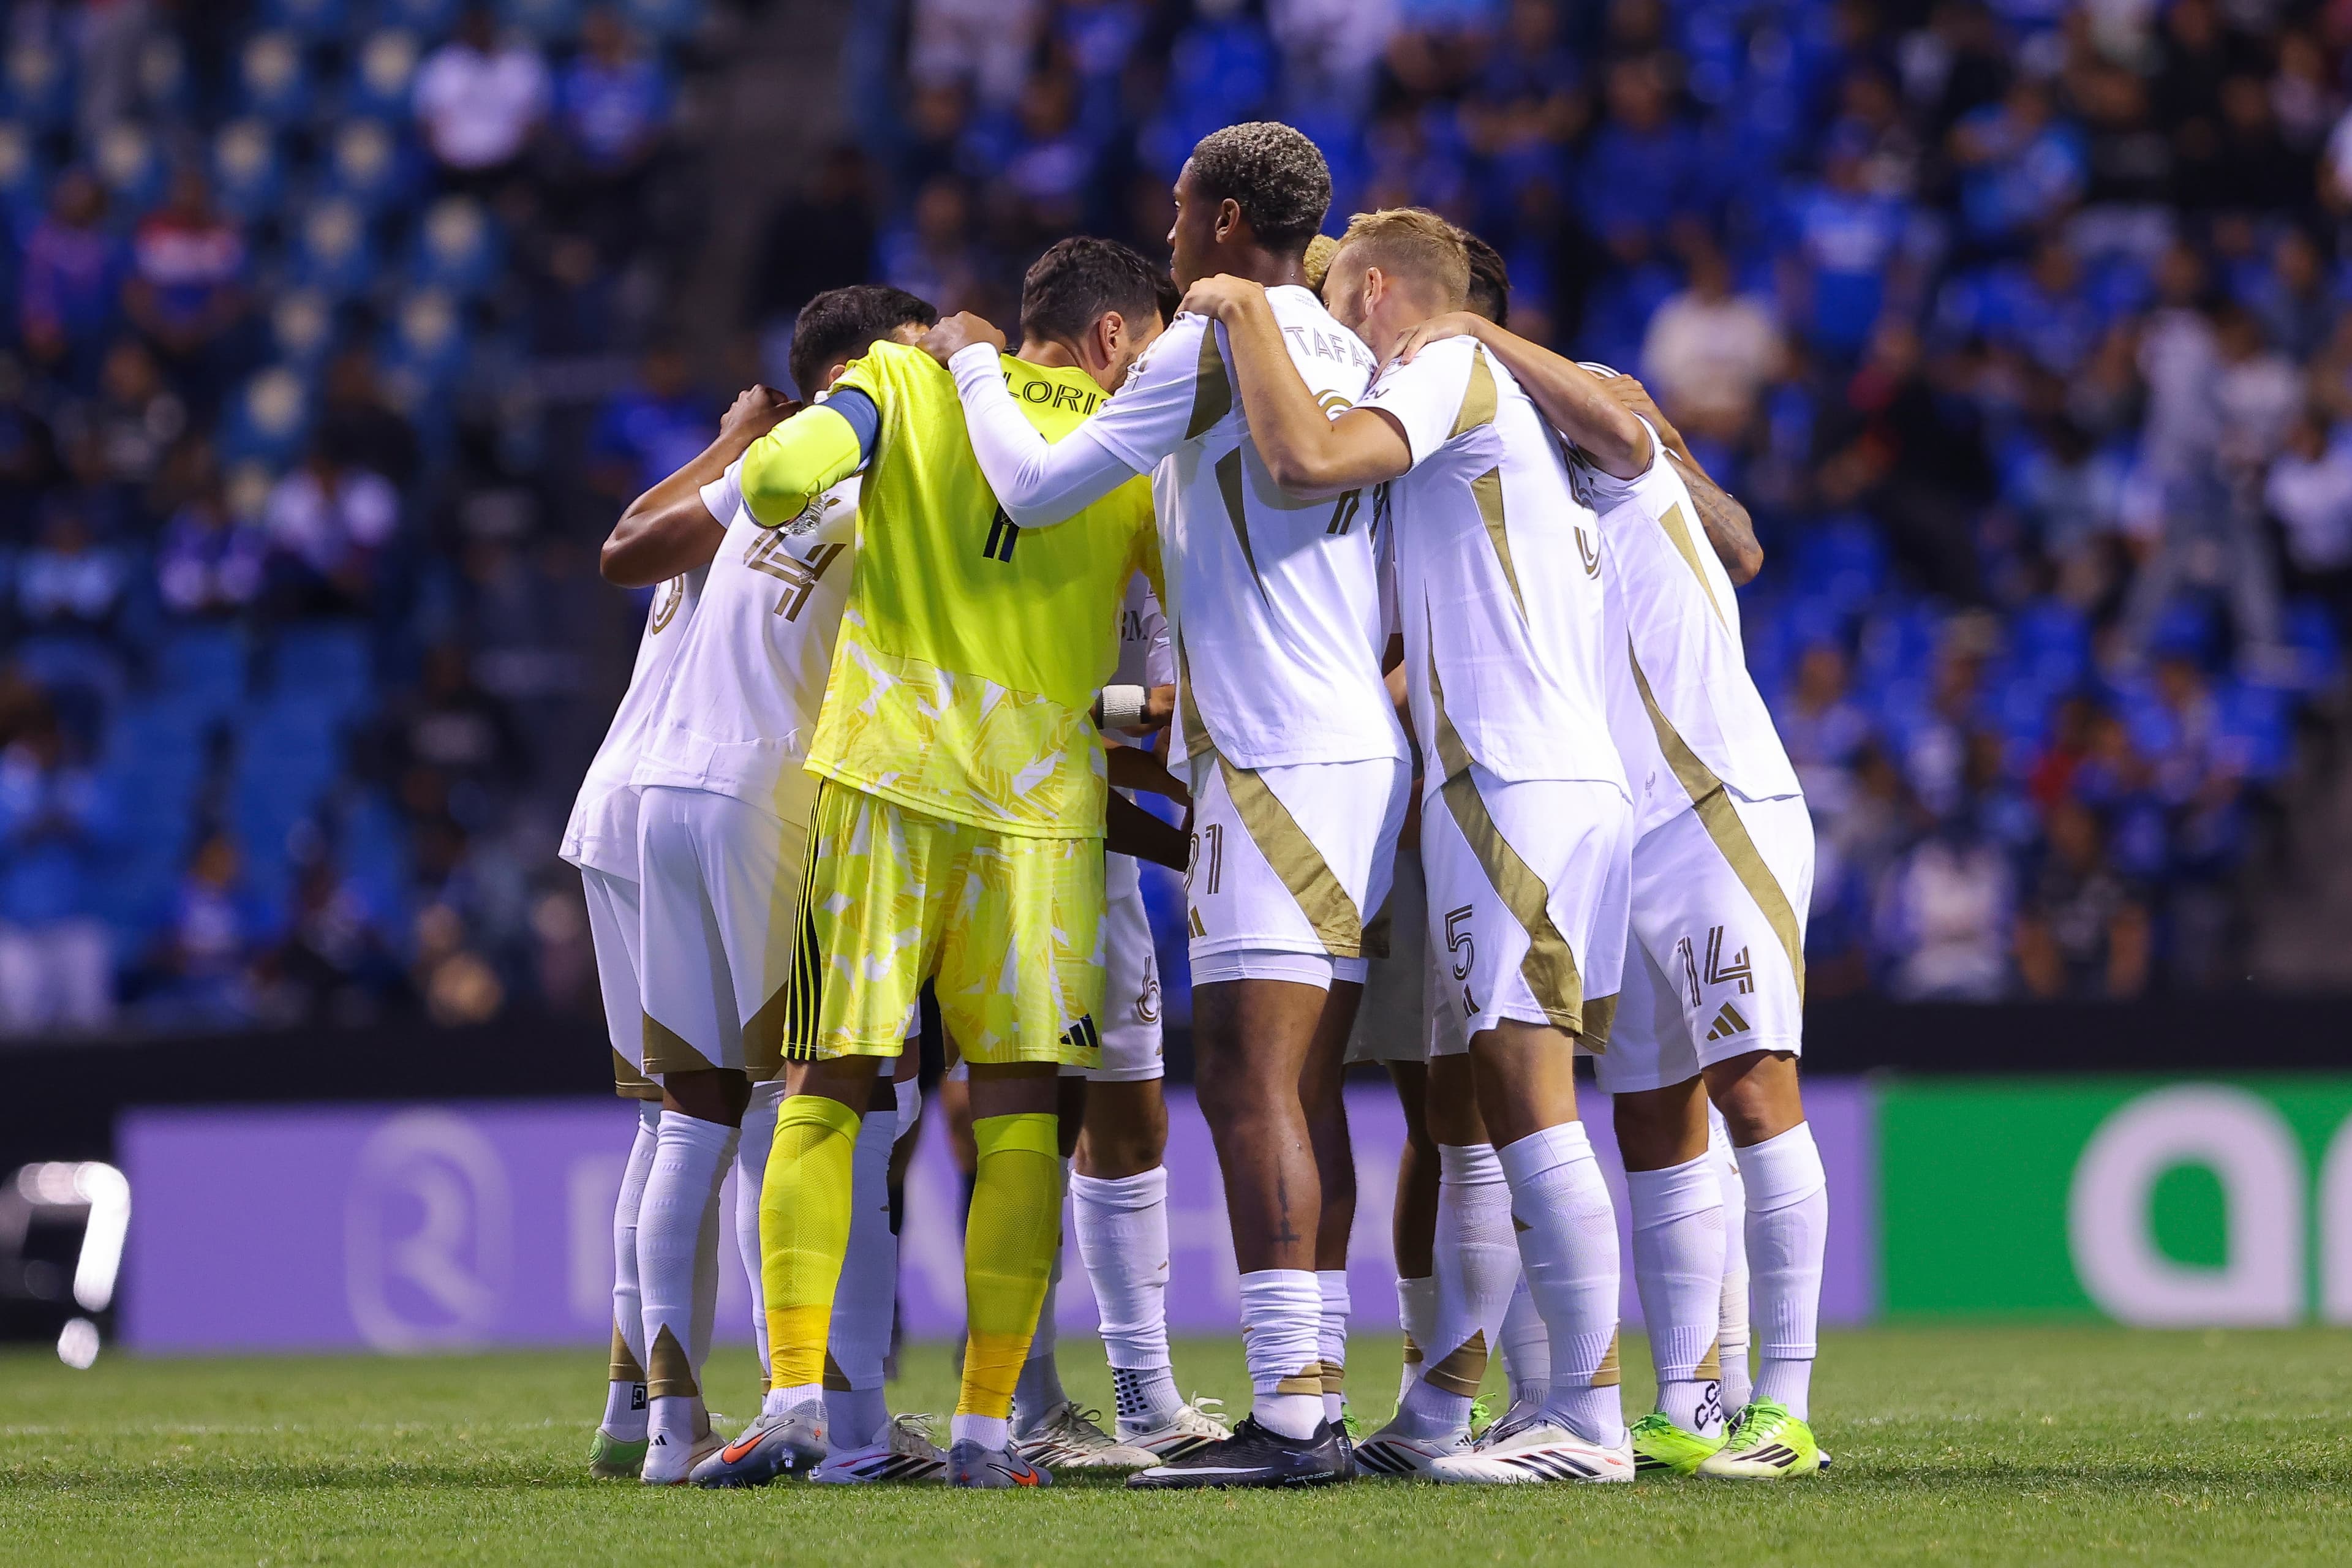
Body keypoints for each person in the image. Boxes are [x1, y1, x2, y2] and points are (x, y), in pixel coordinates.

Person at [933, 123, 1409, 1490]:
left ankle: (1293, 1423)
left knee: (1247, 1083)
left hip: (1271, 754)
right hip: (1337, 745)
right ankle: (1308, 1389)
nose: (1169, 223)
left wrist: (970, 352)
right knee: (1305, 1083)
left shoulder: (1206, 350)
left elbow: (1031, 482)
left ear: (1214, 218)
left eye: (1180, 206)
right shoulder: (1341, 350)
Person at [1181, 207, 1645, 1485]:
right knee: (1498, 1098)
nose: (1332, 322)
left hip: (1515, 772)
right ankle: (1479, 1405)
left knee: (1527, 1095)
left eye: (1339, 296)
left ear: (1377, 287)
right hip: (1528, 772)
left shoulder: (1442, 358)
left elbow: (1314, 459)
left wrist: (1241, 309)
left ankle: (1589, 1419)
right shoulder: (1513, 406)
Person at [741, 236, 1166, 1490]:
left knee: (829, 1082)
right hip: (1038, 805)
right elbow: (1182, 654)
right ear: (1111, 337)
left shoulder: (905, 378)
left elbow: (774, 481)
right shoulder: (1131, 443)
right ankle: (989, 1426)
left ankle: (795, 1395)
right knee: (1024, 1110)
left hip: (885, 778)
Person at [1379, 314, 1828, 1479]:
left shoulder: (1616, 467)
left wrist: (1500, 342)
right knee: (1653, 1109)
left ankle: (1783, 1405)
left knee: (1755, 1083)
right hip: (1624, 822)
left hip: (1714, 798)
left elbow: (1724, 526)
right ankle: (1687, 1404)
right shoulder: (1539, 509)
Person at [582, 285, 946, 1488]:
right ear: (866, 369)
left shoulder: (738, 492)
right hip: (760, 797)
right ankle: (831, 1403)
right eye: (910, 357)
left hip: (644, 795)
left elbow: (629, 542)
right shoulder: (869, 477)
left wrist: (733, 437)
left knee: (684, 1117)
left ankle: (661, 1418)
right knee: (797, 1114)